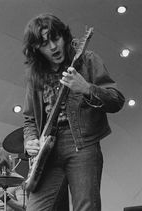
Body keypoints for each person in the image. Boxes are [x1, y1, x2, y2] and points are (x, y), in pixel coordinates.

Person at [22, 13, 125, 211]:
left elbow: (117, 100)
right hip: (47, 151)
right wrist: (30, 140)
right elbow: (29, 119)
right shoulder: (35, 75)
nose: (53, 47)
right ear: (36, 48)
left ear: (64, 35)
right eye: (44, 43)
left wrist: (87, 88)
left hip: (83, 144)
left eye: (56, 38)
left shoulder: (87, 59)